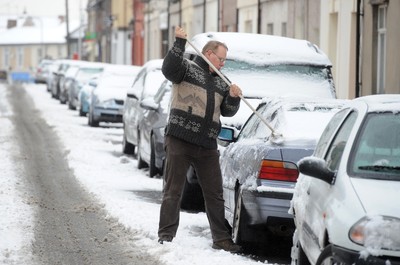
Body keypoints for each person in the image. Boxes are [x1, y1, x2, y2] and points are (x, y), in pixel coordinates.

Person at [158, 26, 243, 253]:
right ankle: (166, 235)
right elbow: (168, 69)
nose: (223, 63)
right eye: (221, 58)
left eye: (225, 60)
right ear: (209, 53)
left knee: (215, 194)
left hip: (206, 145)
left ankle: (221, 239)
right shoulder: (186, 69)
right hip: (180, 139)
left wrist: (234, 98)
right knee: (173, 190)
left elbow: (227, 111)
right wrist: (179, 43)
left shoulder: (222, 81)